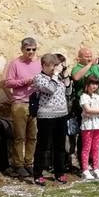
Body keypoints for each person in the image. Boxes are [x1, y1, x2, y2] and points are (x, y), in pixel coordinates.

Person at [4, 38, 41, 179]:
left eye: (33, 49)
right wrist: (26, 81)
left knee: (33, 136)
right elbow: (8, 83)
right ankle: (18, 165)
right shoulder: (15, 64)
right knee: (20, 136)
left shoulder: (39, 63)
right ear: (22, 49)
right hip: (20, 103)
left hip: (35, 103)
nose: (30, 52)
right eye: (28, 49)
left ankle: (29, 163)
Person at [32, 54, 70, 186]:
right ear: (44, 65)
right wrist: (55, 75)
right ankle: (37, 174)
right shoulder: (38, 78)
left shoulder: (58, 77)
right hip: (46, 116)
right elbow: (50, 89)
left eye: (56, 65)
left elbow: (68, 90)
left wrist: (64, 75)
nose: (55, 68)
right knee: (43, 146)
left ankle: (59, 173)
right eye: (52, 65)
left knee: (60, 146)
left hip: (61, 115)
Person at [78, 75, 99, 180]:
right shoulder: (83, 96)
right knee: (87, 147)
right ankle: (85, 169)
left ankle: (96, 168)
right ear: (87, 84)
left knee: (96, 147)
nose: (94, 86)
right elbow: (87, 109)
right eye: (92, 83)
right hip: (88, 125)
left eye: (96, 84)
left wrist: (96, 110)